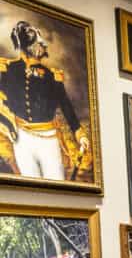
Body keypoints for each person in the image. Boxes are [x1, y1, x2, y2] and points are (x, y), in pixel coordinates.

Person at [0, 20, 90, 181]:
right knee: (30, 186)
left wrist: (79, 134)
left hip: (48, 139)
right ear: (29, 46)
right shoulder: (8, 70)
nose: (44, 46)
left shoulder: (52, 76)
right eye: (39, 43)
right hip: (21, 139)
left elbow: (66, 106)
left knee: (56, 181)